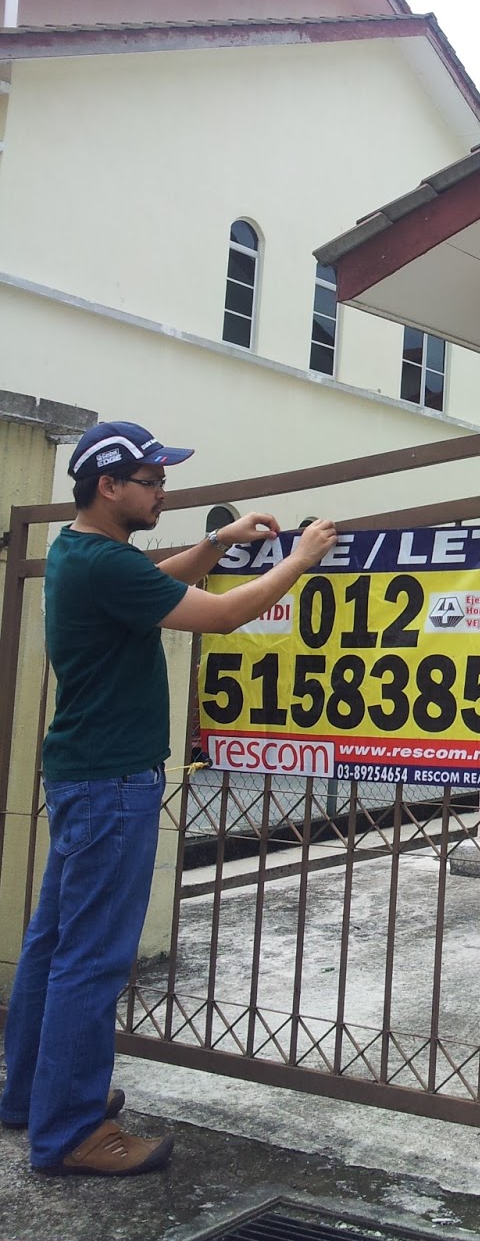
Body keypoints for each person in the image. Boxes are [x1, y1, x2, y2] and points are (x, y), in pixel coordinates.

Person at [0, 421, 337, 1177]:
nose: (163, 490)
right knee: (90, 961)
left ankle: (31, 1099)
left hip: (88, 776)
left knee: (54, 948)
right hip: (114, 783)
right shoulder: (102, 563)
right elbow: (216, 614)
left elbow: (164, 580)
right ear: (109, 486)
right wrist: (302, 561)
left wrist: (217, 545)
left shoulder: (79, 551)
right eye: (152, 480)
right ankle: (71, 1133)